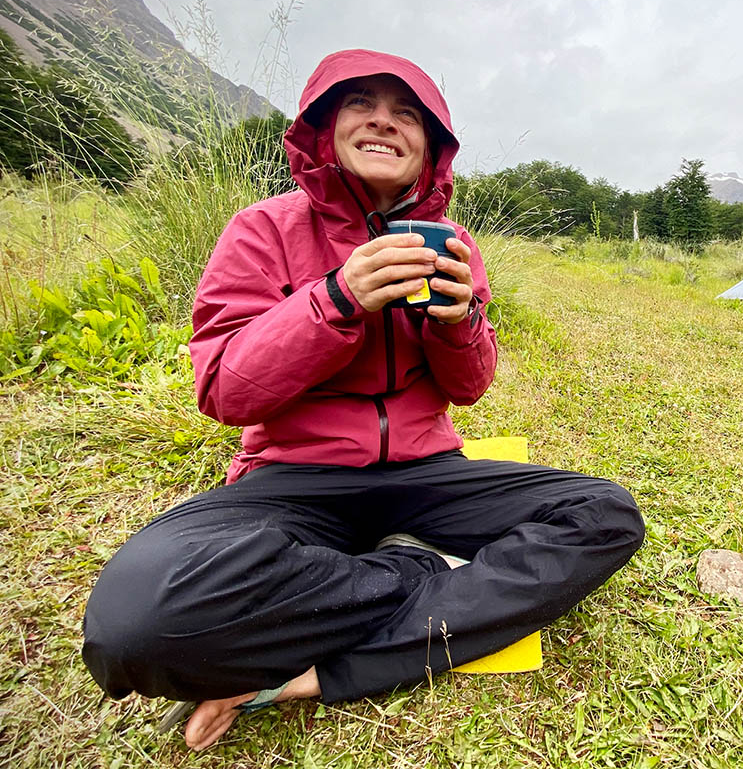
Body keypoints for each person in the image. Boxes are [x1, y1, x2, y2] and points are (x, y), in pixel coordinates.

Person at [81, 49, 645, 751]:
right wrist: (337, 298)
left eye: (407, 113)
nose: (384, 121)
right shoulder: (261, 230)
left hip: (424, 474)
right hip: (292, 481)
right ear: (324, 129)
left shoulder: (453, 244)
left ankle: (318, 673)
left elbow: (467, 389)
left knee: (605, 514)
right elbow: (223, 389)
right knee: (132, 626)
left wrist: (459, 321)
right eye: (362, 105)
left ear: (430, 151)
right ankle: (421, 567)